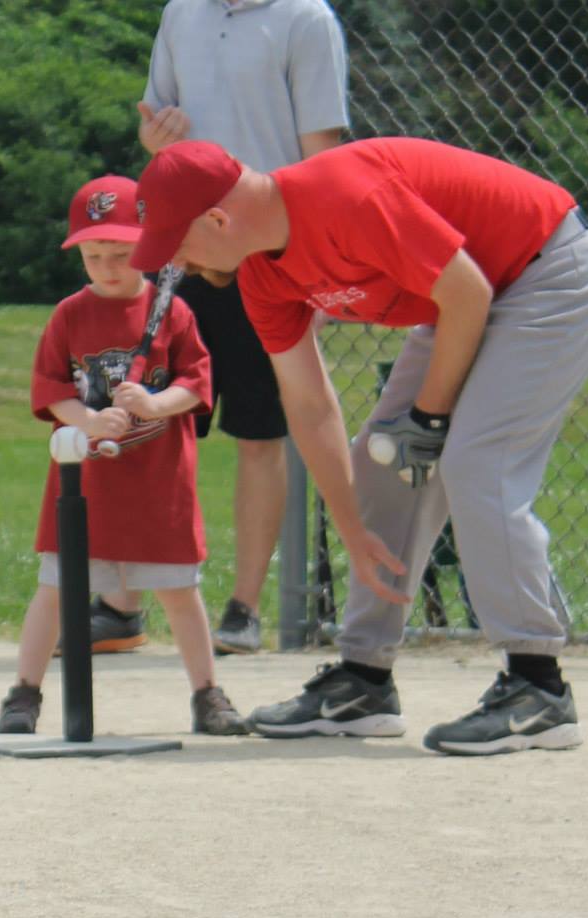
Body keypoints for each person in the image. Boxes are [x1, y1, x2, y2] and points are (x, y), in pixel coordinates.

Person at [127, 137, 588, 756]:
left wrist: (430, 417)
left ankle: (538, 687)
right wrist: (353, 527)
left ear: (218, 219)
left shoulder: (343, 196)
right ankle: (364, 680)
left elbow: (467, 292)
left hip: (549, 272)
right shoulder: (262, 274)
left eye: (180, 247)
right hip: (468, 299)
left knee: (475, 462)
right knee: (383, 460)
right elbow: (309, 406)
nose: (181, 268)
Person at [0, 174, 248, 737]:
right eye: (93, 253)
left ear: (150, 248)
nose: (107, 265)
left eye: (121, 252)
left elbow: (199, 385)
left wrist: (157, 404)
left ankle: (208, 695)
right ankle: (23, 696)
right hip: (86, 491)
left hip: (161, 488)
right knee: (57, 590)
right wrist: (86, 420)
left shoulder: (173, 313)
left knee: (180, 593)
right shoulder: (68, 315)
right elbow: (51, 390)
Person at [130, 0, 349, 654]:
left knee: (259, 432)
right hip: (186, 244)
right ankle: (127, 600)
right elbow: (151, 124)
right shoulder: (181, 13)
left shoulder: (305, 19)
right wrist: (157, 143)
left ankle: (243, 610)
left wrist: (307, 257)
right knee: (158, 425)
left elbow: (323, 154)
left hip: (260, 252)